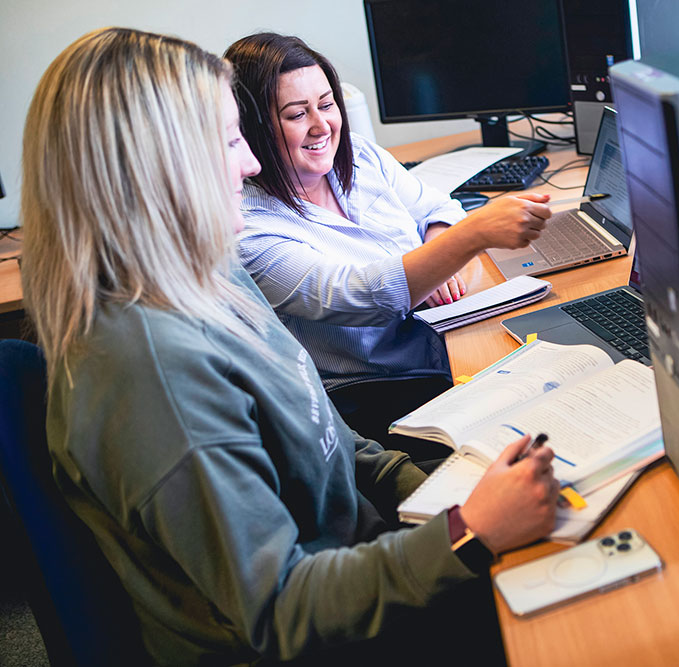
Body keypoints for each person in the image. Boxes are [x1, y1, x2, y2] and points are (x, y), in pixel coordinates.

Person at [20, 27, 559, 666]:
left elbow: (333, 442)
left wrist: (441, 492)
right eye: (228, 141)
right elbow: (282, 611)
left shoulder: (212, 274)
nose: (249, 164)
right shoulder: (153, 372)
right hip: (319, 632)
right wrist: (469, 531)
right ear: (159, 168)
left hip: (360, 558)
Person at [224, 33, 553, 462]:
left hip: (443, 343)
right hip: (379, 394)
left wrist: (439, 259)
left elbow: (437, 207)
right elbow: (358, 294)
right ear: (253, 128)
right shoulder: (248, 230)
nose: (322, 126)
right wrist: (470, 237)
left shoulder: (357, 155)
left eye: (326, 105)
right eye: (296, 114)